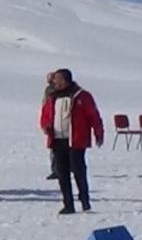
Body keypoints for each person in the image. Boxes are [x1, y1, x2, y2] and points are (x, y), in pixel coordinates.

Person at [39, 69, 103, 214]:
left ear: (65, 80)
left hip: (76, 140)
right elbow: (45, 115)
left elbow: (93, 115)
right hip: (57, 140)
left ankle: (85, 201)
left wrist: (98, 133)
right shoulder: (52, 97)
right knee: (62, 174)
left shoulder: (82, 96)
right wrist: (45, 126)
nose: (54, 82)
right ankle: (68, 204)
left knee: (79, 171)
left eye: (57, 79)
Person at [43, 72, 57, 180]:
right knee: (53, 148)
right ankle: (55, 170)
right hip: (52, 122)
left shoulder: (58, 91)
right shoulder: (48, 90)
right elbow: (45, 105)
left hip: (59, 122)